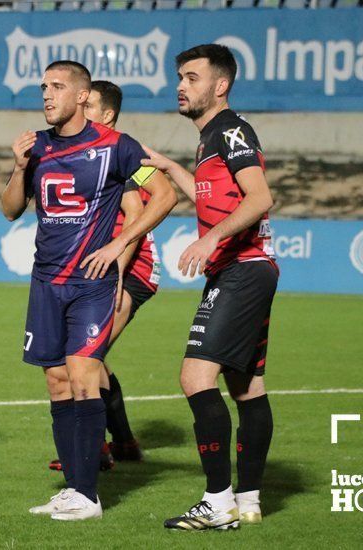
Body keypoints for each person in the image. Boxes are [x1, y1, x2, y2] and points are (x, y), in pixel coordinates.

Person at [85, 44, 278, 531]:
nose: (181, 85)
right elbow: (211, 198)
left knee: (195, 378)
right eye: (180, 77)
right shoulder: (212, 136)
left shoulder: (231, 129)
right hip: (250, 269)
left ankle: (217, 502)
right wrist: (174, 170)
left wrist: (212, 237)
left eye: (192, 77)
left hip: (242, 268)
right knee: (246, 386)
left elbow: (260, 198)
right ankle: (249, 498)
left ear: (220, 86)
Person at [3, 60, 173, 521]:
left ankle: (89, 496)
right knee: (57, 382)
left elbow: (165, 195)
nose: (46, 94)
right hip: (45, 282)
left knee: (83, 375)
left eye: (57, 87)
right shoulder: (35, 147)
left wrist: (119, 244)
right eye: (43, 87)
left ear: (82, 96)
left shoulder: (117, 147)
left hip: (92, 283)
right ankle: (75, 488)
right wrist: (19, 169)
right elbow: (10, 210)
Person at [47, 80, 174, 473]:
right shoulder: (86, 150)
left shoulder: (113, 150)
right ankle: (123, 443)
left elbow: (135, 215)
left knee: (84, 357)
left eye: (91, 106)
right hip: (103, 266)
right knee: (92, 357)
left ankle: (96, 449)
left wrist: (117, 273)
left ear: (107, 115)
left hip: (131, 265)